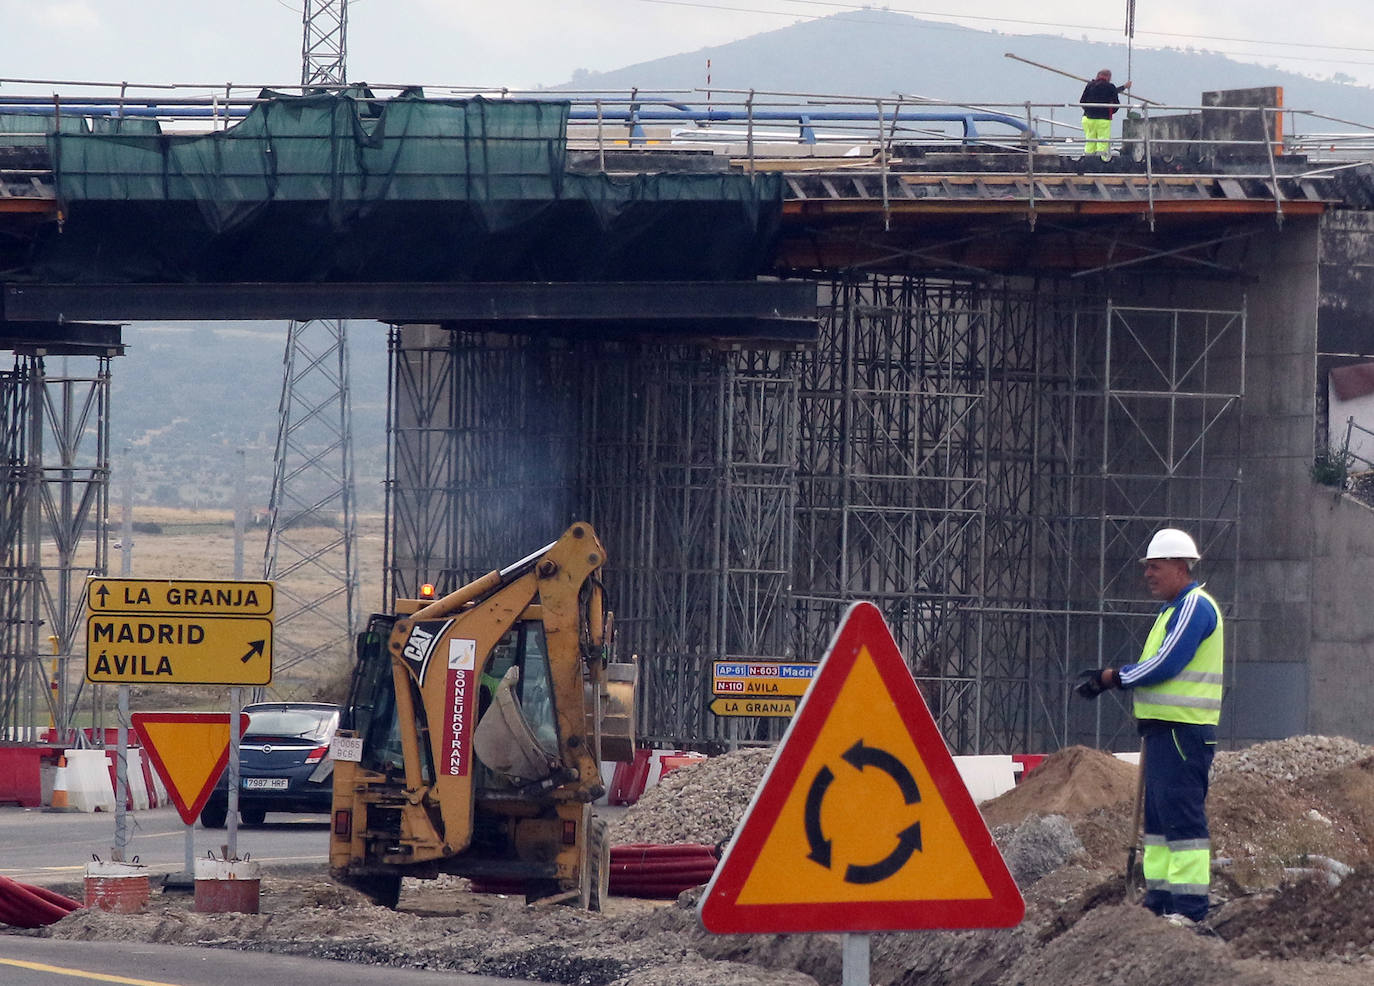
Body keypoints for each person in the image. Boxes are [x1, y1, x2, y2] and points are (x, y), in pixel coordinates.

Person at [1075, 528, 1223, 926]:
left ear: (1179, 565)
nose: (1148, 575)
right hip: (1163, 732)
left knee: (1182, 818)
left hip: (1183, 731)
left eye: (1155, 567)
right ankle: (1159, 898)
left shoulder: (1195, 607)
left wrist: (1112, 677)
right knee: (1159, 823)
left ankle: (1189, 909)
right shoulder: (1171, 612)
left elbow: (1165, 664)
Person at [1079, 69, 1131, 161]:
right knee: (1102, 142)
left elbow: (1082, 101)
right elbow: (1116, 103)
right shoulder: (1110, 87)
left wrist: (1088, 110)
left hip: (1088, 118)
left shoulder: (1090, 85)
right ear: (1108, 77)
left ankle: (1088, 161)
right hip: (1103, 119)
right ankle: (1100, 162)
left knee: (1090, 141)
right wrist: (1110, 112)